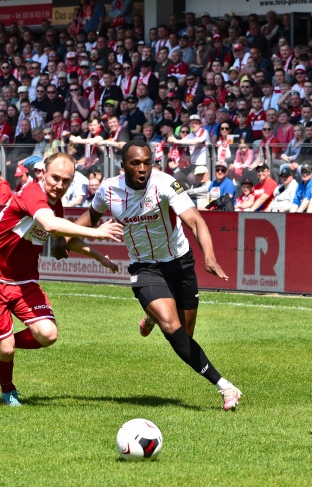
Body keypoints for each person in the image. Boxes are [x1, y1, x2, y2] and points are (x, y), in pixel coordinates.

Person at [60, 139, 243, 411]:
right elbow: (83, 223)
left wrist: (210, 257)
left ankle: (152, 315)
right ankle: (225, 386)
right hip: (145, 267)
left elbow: (195, 220)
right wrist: (66, 239)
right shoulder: (108, 191)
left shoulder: (166, 183)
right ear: (123, 167)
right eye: (136, 163)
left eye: (147, 162)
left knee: (186, 336)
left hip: (179, 263)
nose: (143, 168)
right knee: (172, 328)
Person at [0, 152, 123, 406]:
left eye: (66, 181)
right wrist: (97, 233)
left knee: (48, 334)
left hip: (24, 281)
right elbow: (51, 226)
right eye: (55, 178)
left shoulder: (56, 204)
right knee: (6, 350)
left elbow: (62, 240)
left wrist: (98, 256)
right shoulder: (32, 193)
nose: (59, 185)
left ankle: (3, 342)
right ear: (43, 173)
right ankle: (8, 388)